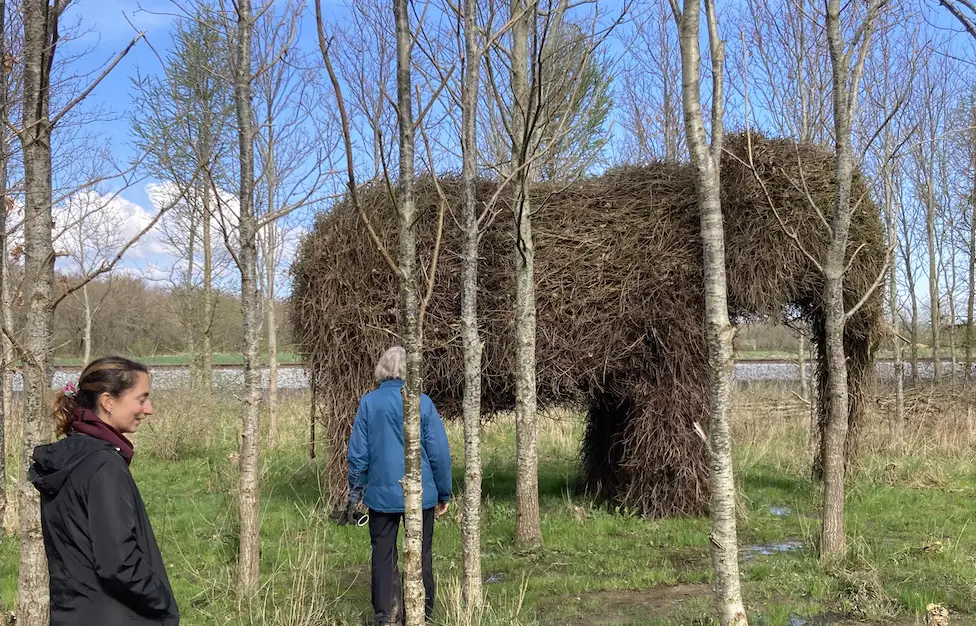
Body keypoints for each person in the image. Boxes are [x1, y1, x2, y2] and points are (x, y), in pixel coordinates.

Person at [30, 356, 179, 626]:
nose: (149, 409)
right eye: (141, 398)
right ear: (108, 402)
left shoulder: (68, 458)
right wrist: (164, 604)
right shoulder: (104, 465)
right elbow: (117, 562)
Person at [347, 346, 453, 626]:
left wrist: (356, 492)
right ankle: (422, 612)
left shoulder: (369, 403)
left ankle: (387, 615)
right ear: (410, 371)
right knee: (422, 552)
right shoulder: (422, 402)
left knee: (383, 553)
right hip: (422, 493)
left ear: (382, 370)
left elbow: (358, 454)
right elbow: (439, 451)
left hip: (381, 493)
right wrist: (444, 492)